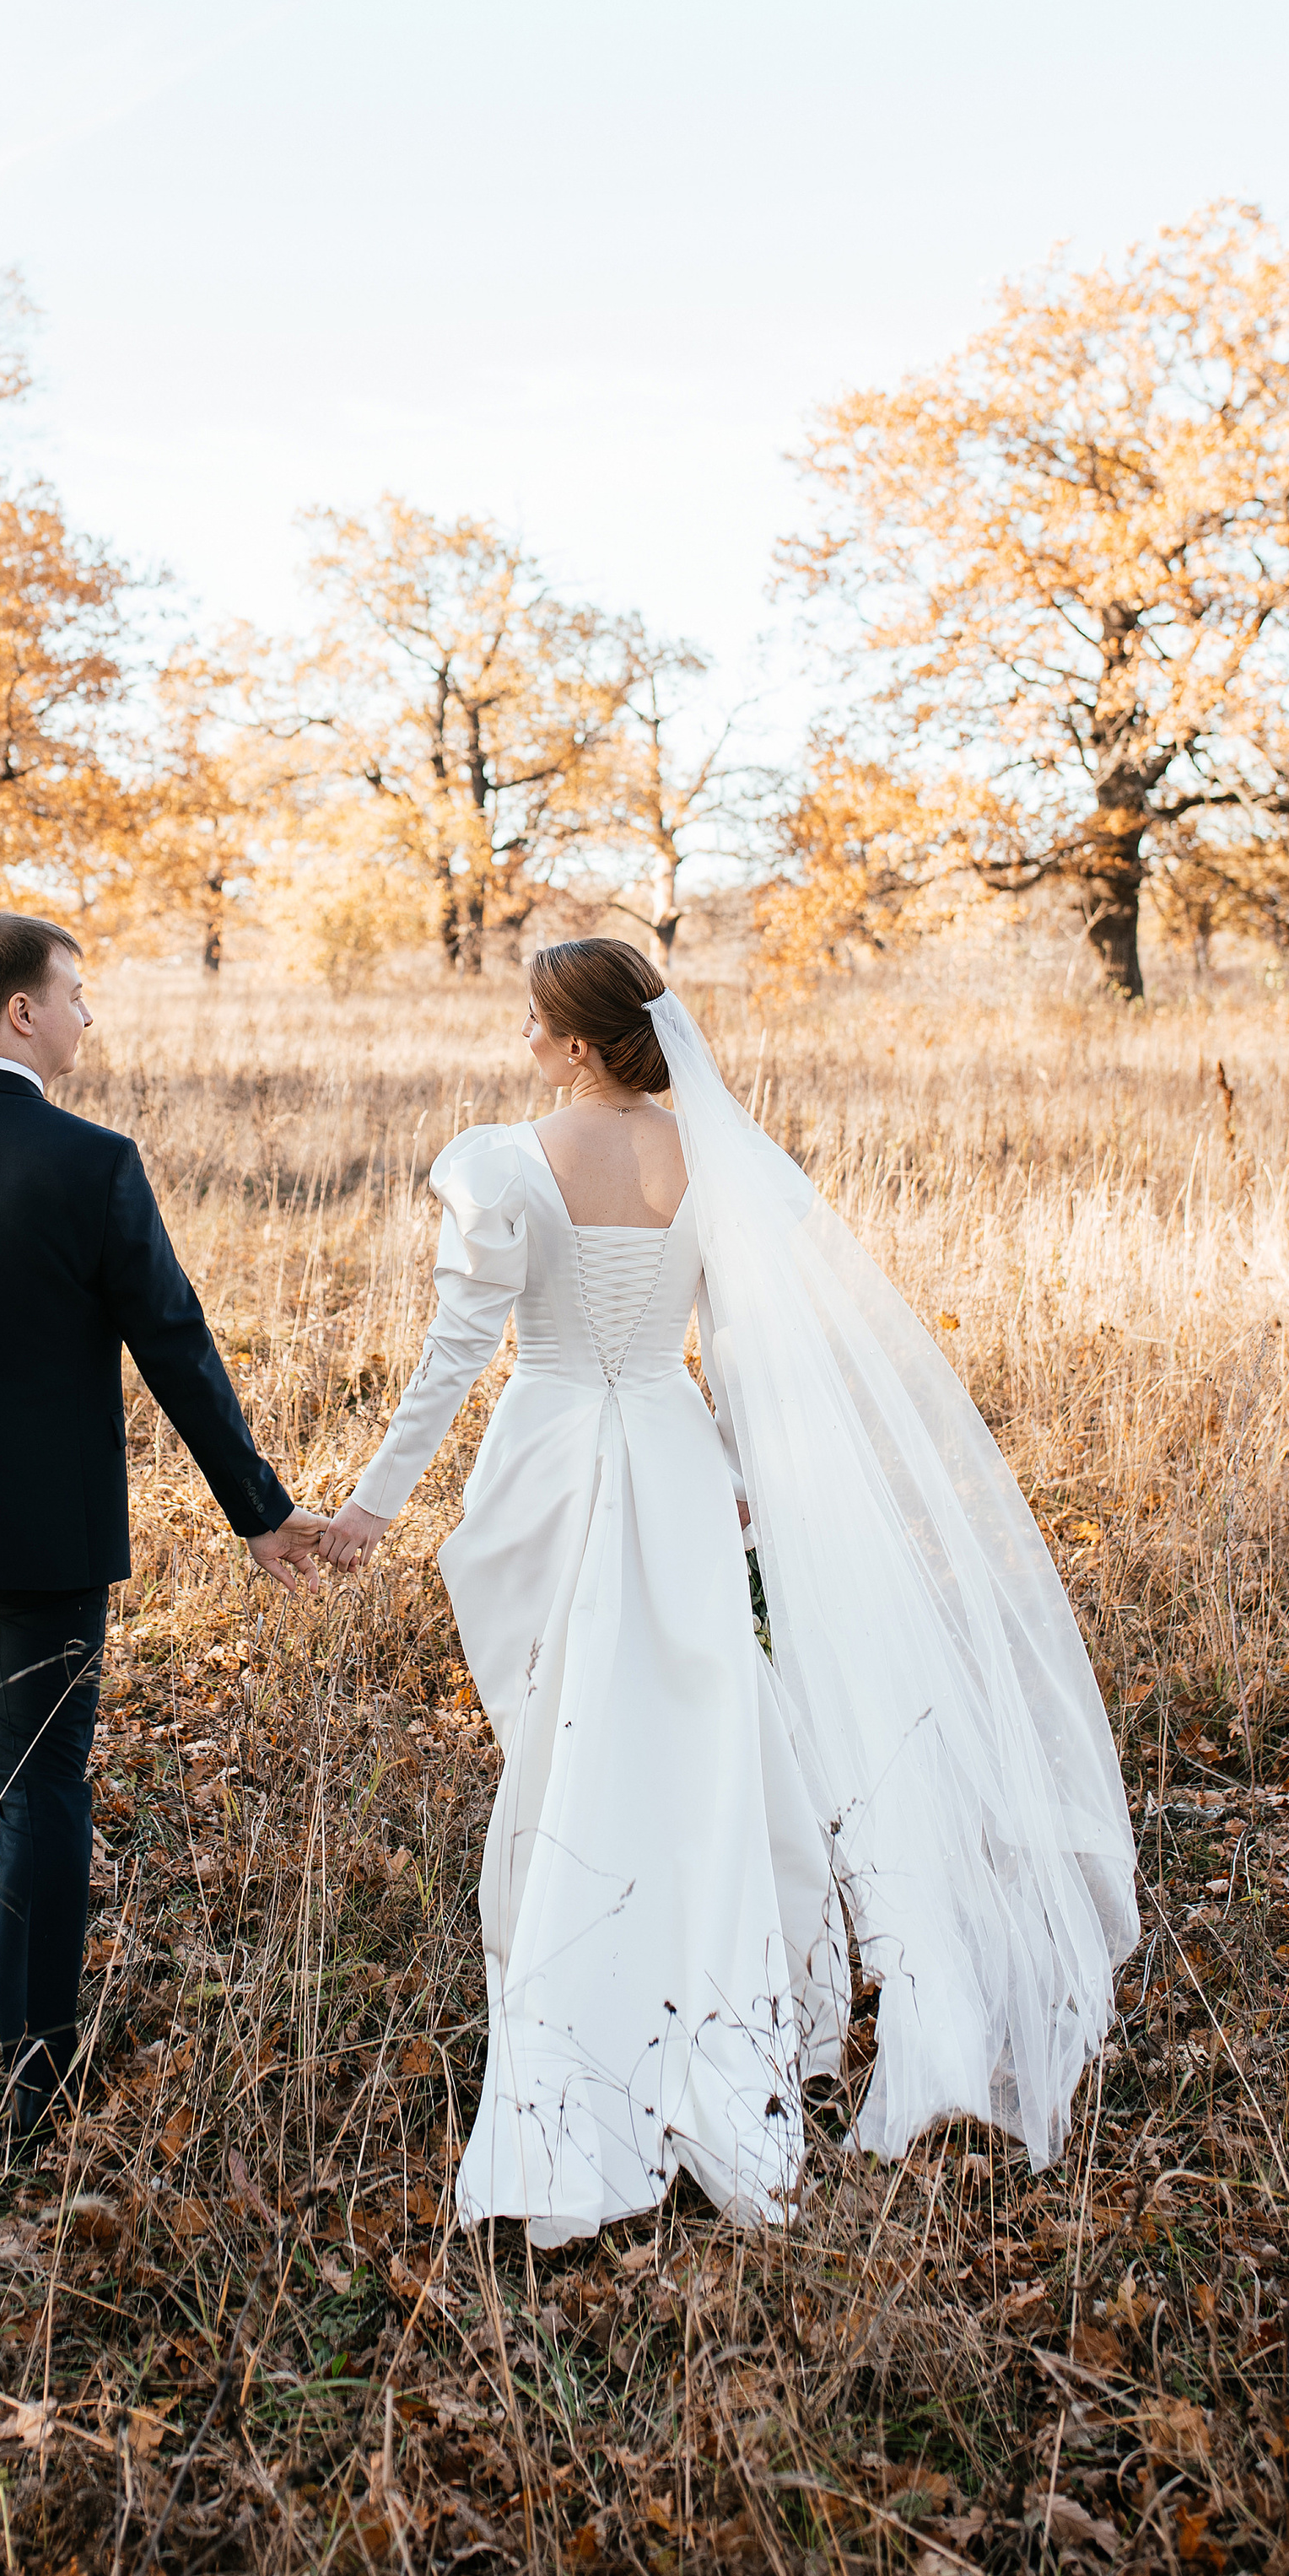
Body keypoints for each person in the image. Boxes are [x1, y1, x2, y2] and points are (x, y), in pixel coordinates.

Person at [320, 938, 1136, 2245]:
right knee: (700, 1732)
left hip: (555, 1462)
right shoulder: (713, 1158)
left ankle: (589, 2018)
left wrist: (371, 1506)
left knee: (578, 1730)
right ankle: (729, 2005)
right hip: (675, 1452)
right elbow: (749, 1350)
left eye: (537, 1024)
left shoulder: (506, 1165)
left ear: (579, 1042)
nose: (525, 1041)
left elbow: (457, 1353)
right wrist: (746, 1473)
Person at [0, 911, 324, 2139]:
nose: (89, 1015)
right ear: (21, 1012)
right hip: (46, 1537)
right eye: (75, 993)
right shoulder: (93, 1164)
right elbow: (177, 1350)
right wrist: (260, 1512)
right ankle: (32, 2060)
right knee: (42, 1784)